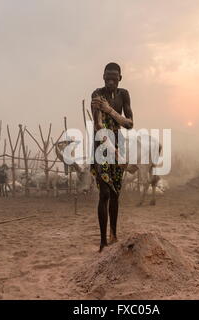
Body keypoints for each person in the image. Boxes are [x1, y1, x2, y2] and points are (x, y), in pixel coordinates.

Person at [90, 62, 134, 252]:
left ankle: (114, 235)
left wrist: (110, 110)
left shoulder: (124, 94)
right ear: (103, 77)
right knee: (105, 193)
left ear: (120, 79)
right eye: (107, 77)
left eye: (114, 78)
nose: (110, 81)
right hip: (102, 143)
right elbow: (98, 125)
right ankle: (102, 241)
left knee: (116, 192)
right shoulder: (97, 94)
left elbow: (130, 123)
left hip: (119, 142)